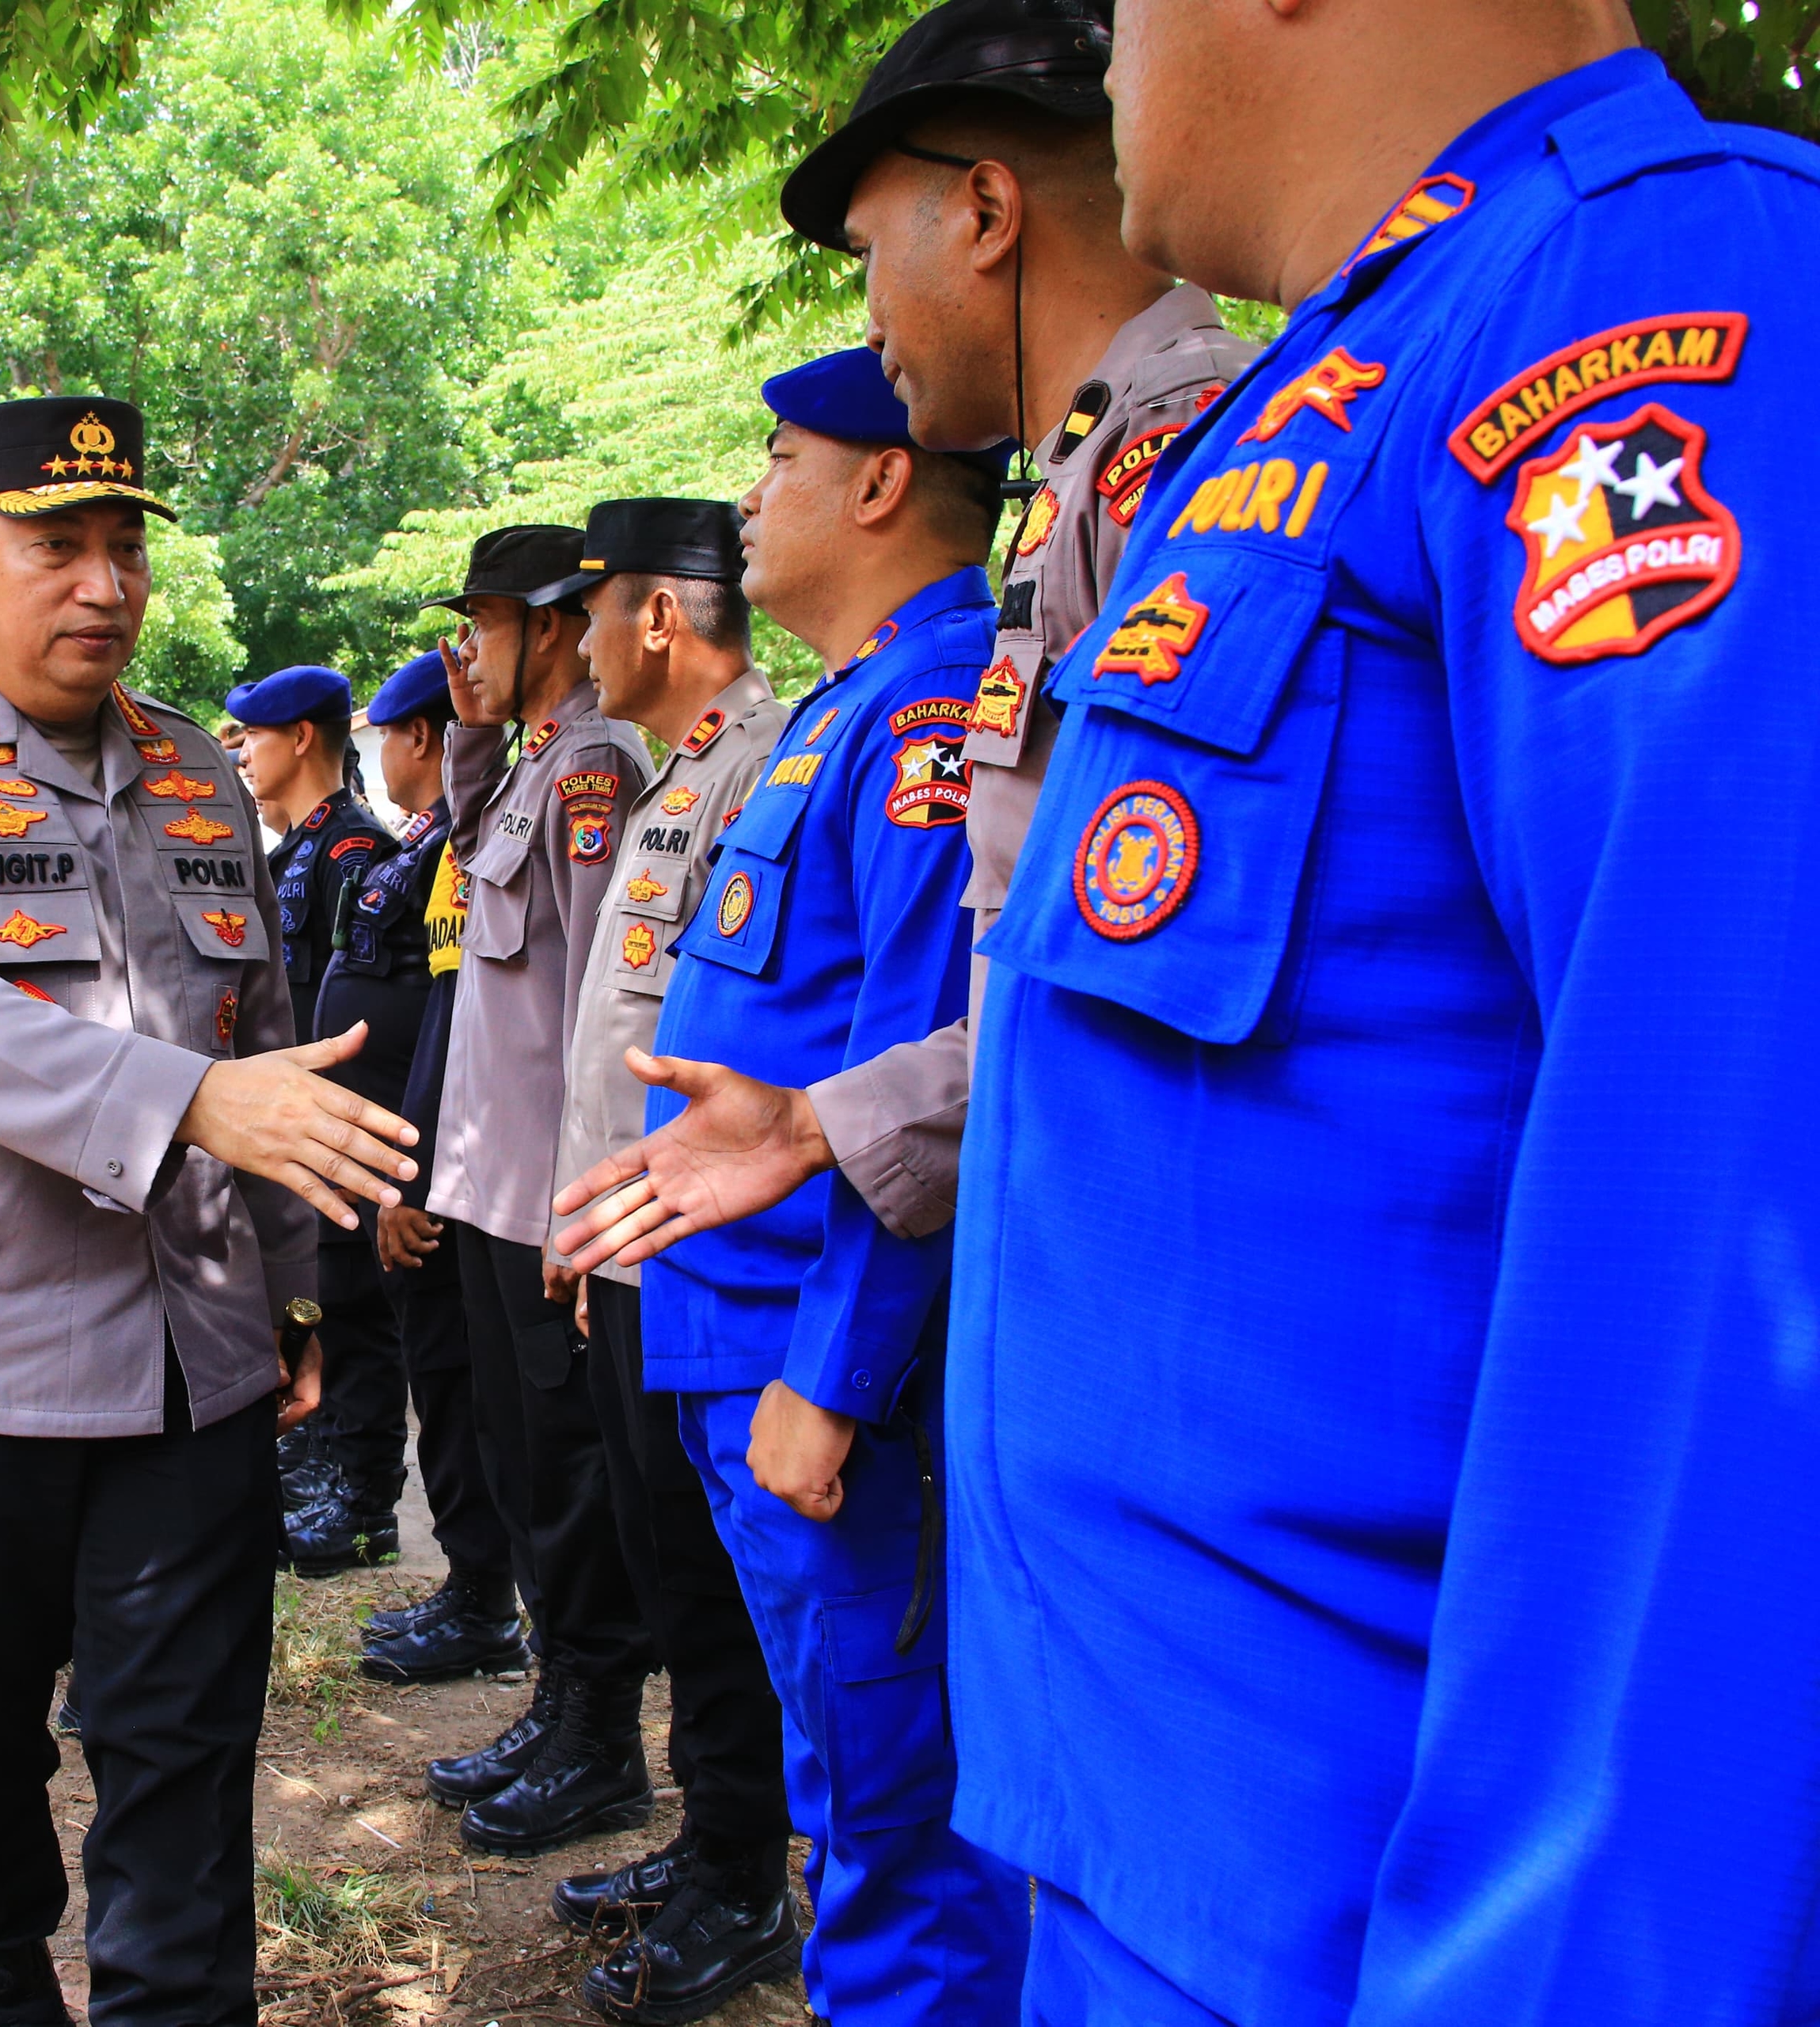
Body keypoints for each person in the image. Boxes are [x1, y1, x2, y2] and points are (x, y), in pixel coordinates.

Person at [962, 8, 1812, 2019]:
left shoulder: (1650, 291)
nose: (1107, 48)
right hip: (1162, 1858)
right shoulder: (1339, 388)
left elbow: (1738, 1288)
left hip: (1391, 1922)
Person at [0, 394, 417, 2027]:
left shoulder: (202, 772)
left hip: (187, 1370)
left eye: (124, 543)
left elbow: (263, 1046)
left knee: (186, 1754)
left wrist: (289, 1293)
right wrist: (182, 1103)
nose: (102, 581)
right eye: (54, 543)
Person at [557, 0, 1253, 1271]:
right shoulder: (1080, 489)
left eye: (872, 252)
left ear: (986, 215)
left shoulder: (1194, 467)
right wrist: (822, 1124)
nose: (870, 317)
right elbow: (1041, 989)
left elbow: (1155, 985)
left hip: (1137, 1280)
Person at [636, 351, 1025, 2025]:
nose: (750, 495)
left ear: (878, 483)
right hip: (735, 1340)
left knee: (897, 1821)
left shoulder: (932, 715)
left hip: (818, 1372)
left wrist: (833, 1370)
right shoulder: (841, 707)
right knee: (839, 1788)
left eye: (780, 456)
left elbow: (904, 1084)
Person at [531, 500, 799, 2021]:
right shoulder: (681, 776)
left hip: (703, 1253)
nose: (573, 646)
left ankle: (744, 1882)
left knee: (711, 1585)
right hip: (630, 1247)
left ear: (657, 620)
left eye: (590, 615)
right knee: (665, 1566)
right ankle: (712, 1837)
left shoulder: (770, 761)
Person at [416, 523, 654, 1858]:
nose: (468, 645)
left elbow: (592, 1004)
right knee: (523, 1465)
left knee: (569, 1477)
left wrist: (584, 1202)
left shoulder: (595, 777)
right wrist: (466, 741)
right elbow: (467, 888)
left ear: (556, 627)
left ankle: (600, 1739)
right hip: (490, 1192)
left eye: (489, 622)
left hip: (543, 1201)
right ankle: (560, 1704)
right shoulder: (530, 772)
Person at [344, 651, 526, 1686]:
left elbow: (453, 1029)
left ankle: (484, 1601)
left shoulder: (453, 848)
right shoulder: (428, 849)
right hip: (419, 1162)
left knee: (465, 1396)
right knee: (448, 1390)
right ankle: (471, 1587)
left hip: (446, 1170)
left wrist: (408, 1181)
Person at [226, 664, 400, 1571]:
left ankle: (365, 1503)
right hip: (287, 1123)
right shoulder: (293, 852)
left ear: (300, 737)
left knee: (354, 1319)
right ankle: (322, 1463)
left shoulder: (352, 852)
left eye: (253, 735)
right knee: (311, 1304)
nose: (242, 753)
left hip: (336, 1124)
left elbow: (353, 1012)